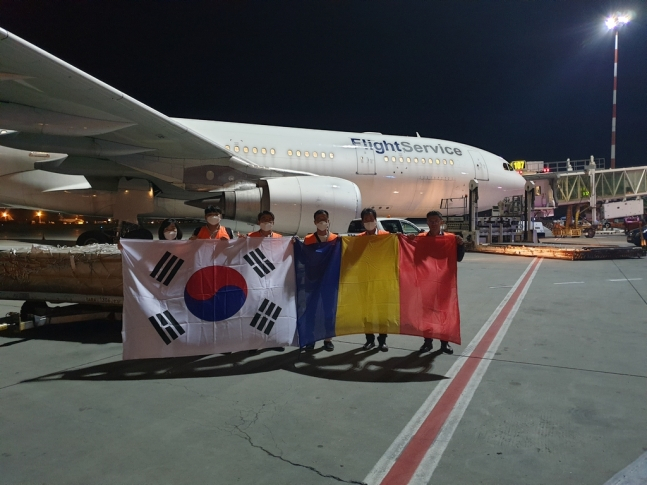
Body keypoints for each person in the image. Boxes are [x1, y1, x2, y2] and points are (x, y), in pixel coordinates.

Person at [416, 210, 465, 354]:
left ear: (441, 222)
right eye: (431, 221)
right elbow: (416, 258)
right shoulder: (421, 239)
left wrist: (460, 245)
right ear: (427, 223)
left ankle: (445, 343)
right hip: (427, 282)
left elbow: (459, 258)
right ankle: (427, 342)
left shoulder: (450, 239)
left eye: (436, 221)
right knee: (427, 313)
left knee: (444, 312)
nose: (433, 223)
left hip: (445, 282)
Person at [245, 210, 284, 353]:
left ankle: (271, 341)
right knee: (256, 309)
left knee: (272, 309)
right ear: (258, 222)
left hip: (275, 278)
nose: (267, 221)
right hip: (256, 278)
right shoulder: (250, 237)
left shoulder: (280, 238)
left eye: (269, 219)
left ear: (273, 222)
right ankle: (254, 341)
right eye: (263, 219)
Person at [302, 209, 337, 351]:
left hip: (330, 282)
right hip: (313, 280)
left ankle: (328, 339)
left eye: (324, 219)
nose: (322, 222)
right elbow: (303, 257)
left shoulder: (335, 239)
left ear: (328, 221)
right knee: (311, 310)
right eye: (319, 219)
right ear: (315, 222)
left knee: (329, 311)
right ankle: (310, 339)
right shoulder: (308, 239)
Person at [358, 207, 390, 352]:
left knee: (383, 312)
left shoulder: (386, 236)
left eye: (371, 219)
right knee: (367, 312)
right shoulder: (359, 239)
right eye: (366, 220)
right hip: (365, 281)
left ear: (376, 220)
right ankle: (369, 339)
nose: (369, 222)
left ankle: (382, 340)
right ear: (362, 222)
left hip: (382, 280)